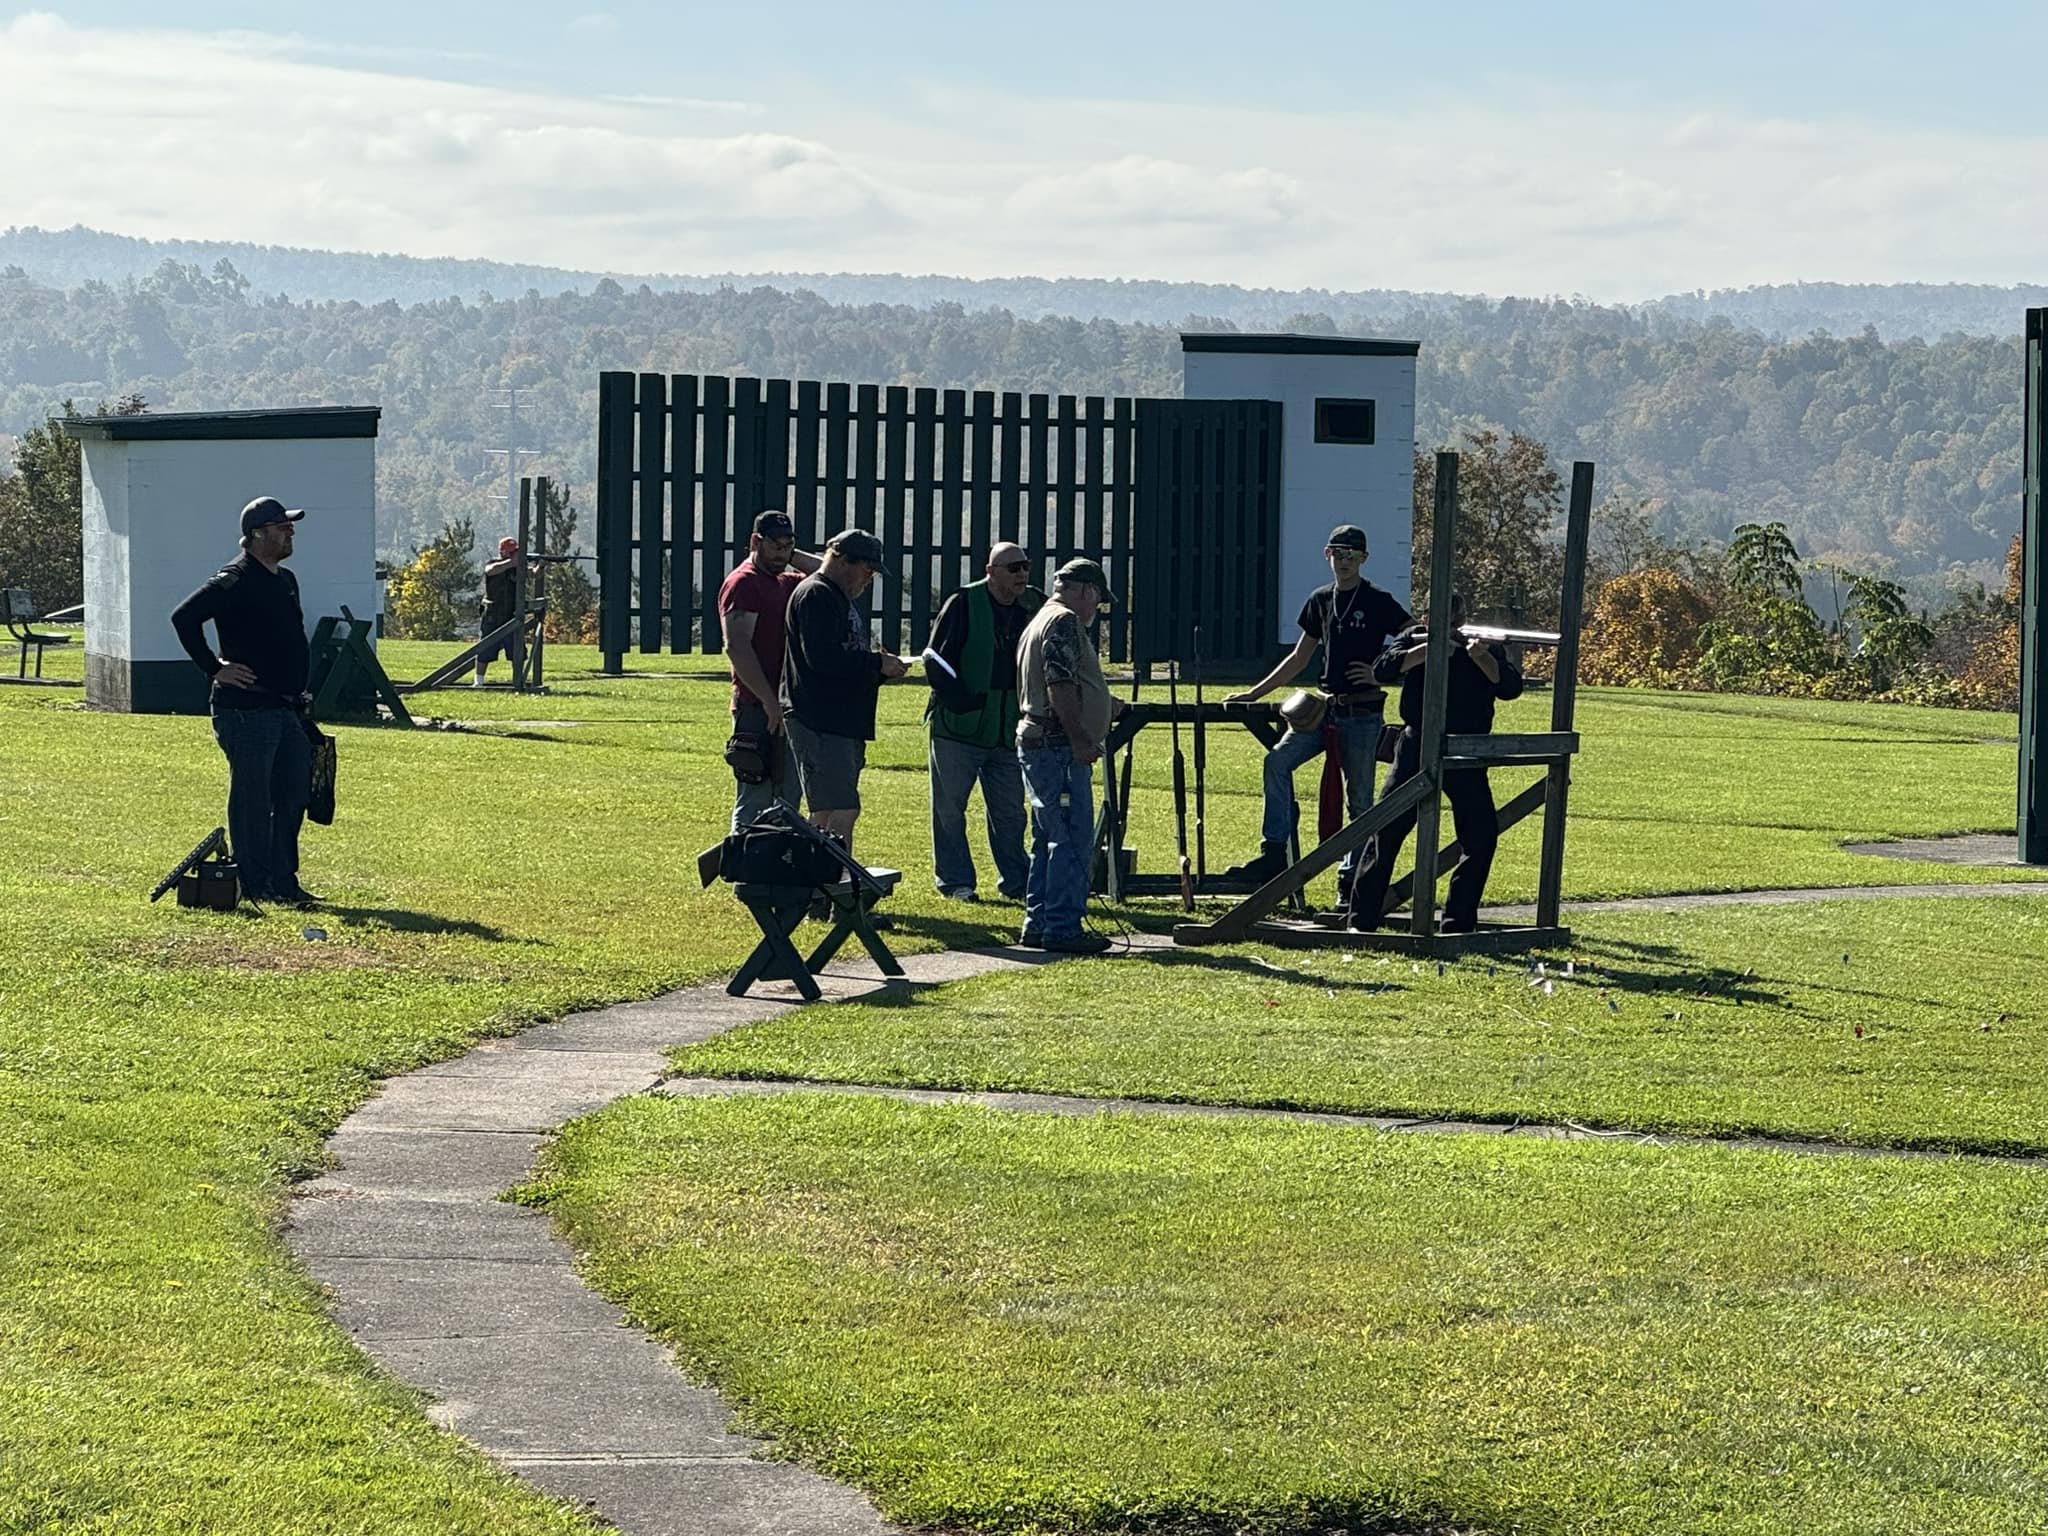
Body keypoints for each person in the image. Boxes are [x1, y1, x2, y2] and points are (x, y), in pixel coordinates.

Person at [1222, 524, 1410, 893]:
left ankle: (1352, 879)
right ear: (1327, 555)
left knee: (1359, 799)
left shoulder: (1377, 599)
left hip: (1363, 712)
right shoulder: (1320, 599)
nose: (1343, 561)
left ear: (1364, 559)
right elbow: (1299, 656)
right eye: (1337, 553)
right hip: (1324, 711)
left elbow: (1415, 636)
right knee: (1276, 762)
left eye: (1351, 555)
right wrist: (1253, 694)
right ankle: (1274, 850)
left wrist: (1379, 670)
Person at [169, 496, 318, 907]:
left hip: (286, 708)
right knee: (253, 800)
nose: (290, 531)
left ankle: (284, 883)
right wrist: (214, 667)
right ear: (256, 535)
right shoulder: (234, 578)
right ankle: (253, 883)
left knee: (292, 795)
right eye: (281, 526)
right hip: (246, 710)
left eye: (289, 526)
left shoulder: (285, 580)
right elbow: (184, 617)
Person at [1344, 594, 1524, 934]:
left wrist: (1482, 658)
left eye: (1456, 615)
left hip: (1467, 748)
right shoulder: (1413, 639)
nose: (1452, 622)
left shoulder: (1482, 644)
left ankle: (1458, 921)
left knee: (1480, 837)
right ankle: (1361, 918)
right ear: (1427, 616)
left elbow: (1510, 687)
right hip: (1417, 744)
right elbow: (1382, 669)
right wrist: (1429, 650)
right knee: (1388, 830)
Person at [1014, 558, 1126, 954]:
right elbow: (1058, 683)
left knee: (1047, 834)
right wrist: (1080, 737)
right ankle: (1062, 927)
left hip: (1038, 739)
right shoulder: (1063, 622)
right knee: (1072, 836)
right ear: (1087, 591)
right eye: (1097, 599)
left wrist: (1100, 702)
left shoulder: (1040, 619)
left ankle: (1039, 920)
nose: (1096, 609)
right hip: (1058, 745)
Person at [920, 541, 1043, 900]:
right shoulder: (962, 602)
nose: (1021, 574)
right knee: (950, 811)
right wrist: (961, 703)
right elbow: (934, 659)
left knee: (1010, 813)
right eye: (1013, 568)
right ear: (990, 572)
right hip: (958, 729)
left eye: (1025, 566)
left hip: (1008, 728)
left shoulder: (1033, 604)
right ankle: (956, 882)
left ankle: (1017, 881)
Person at [781, 528, 907, 853]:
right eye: (867, 570)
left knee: (827, 809)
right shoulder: (816, 595)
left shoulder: (835, 597)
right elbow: (822, 660)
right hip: (821, 720)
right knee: (840, 809)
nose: (868, 580)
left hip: (839, 721)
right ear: (842, 559)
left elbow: (845, 663)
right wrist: (875, 664)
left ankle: (819, 887)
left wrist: (879, 669)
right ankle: (832, 883)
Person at [717, 511, 822, 832]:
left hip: (786, 706)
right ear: (755, 542)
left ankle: (774, 869)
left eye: (788, 546)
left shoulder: (784, 581)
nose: (781, 554)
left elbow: (827, 573)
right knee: (755, 796)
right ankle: (743, 866)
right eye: (775, 546)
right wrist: (769, 701)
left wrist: (791, 556)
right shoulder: (743, 583)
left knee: (788, 797)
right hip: (756, 705)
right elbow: (737, 646)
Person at [473, 537, 520, 686]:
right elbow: (490, 571)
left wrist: (541, 567)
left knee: (516, 650)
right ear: (502, 551)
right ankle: (478, 682)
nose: (513, 554)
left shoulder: (515, 567)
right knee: (485, 650)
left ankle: (518, 681)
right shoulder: (494, 563)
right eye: (511, 552)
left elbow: (532, 574)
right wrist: (512, 563)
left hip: (510, 615)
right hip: (492, 615)